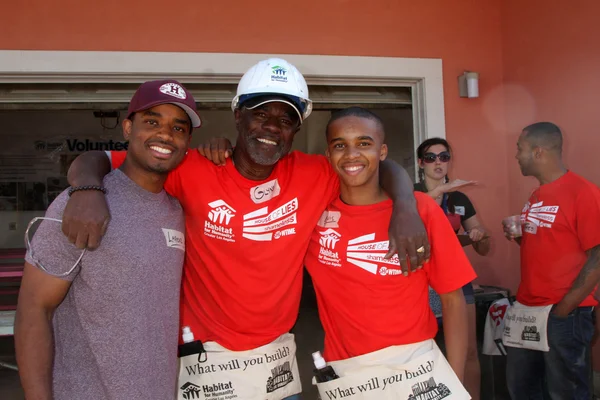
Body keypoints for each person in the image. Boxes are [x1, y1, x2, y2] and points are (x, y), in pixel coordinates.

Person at [60, 58, 430, 400]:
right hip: (205, 363)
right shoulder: (191, 168)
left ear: (296, 131)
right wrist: (87, 189)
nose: (272, 127)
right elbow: (97, 159)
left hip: (276, 364)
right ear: (237, 116)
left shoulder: (314, 174)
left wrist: (407, 204)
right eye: (260, 114)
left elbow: (378, 168)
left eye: (285, 120)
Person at [14, 79, 199, 399]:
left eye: (178, 128)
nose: (165, 135)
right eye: (152, 122)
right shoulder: (80, 205)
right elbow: (33, 309)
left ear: (187, 141)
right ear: (128, 128)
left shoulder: (175, 212)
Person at [303, 107, 475, 399]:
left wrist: (455, 382)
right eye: (340, 145)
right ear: (328, 154)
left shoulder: (421, 211)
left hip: (416, 368)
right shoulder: (313, 214)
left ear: (382, 152)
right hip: (348, 375)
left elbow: (453, 300)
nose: (352, 154)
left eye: (364, 143)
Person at [502, 122, 600, 399]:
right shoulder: (537, 194)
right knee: (524, 390)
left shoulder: (583, 193)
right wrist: (520, 237)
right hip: (527, 310)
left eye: (519, 149)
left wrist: (564, 309)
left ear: (538, 152)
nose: (516, 156)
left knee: (565, 393)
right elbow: (551, 244)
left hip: (562, 313)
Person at [414, 137, 490, 399]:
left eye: (444, 157)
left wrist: (479, 234)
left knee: (468, 350)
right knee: (424, 350)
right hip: (419, 280)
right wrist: (438, 193)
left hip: (455, 278)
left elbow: (483, 248)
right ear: (420, 162)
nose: (438, 162)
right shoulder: (410, 192)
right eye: (431, 157)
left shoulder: (460, 198)